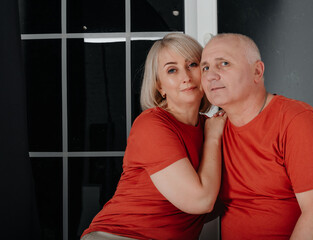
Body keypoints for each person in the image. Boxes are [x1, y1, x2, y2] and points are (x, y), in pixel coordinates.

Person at [81, 33, 227, 240]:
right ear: (160, 87)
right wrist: (213, 137)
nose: (185, 76)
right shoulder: (152, 124)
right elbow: (200, 202)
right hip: (118, 236)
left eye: (192, 64)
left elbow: (212, 204)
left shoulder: (210, 126)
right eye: (172, 70)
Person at [200, 33, 313, 239]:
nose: (211, 75)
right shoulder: (214, 129)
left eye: (224, 63)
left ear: (257, 71)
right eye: (205, 67)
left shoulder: (297, 121)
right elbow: (205, 206)